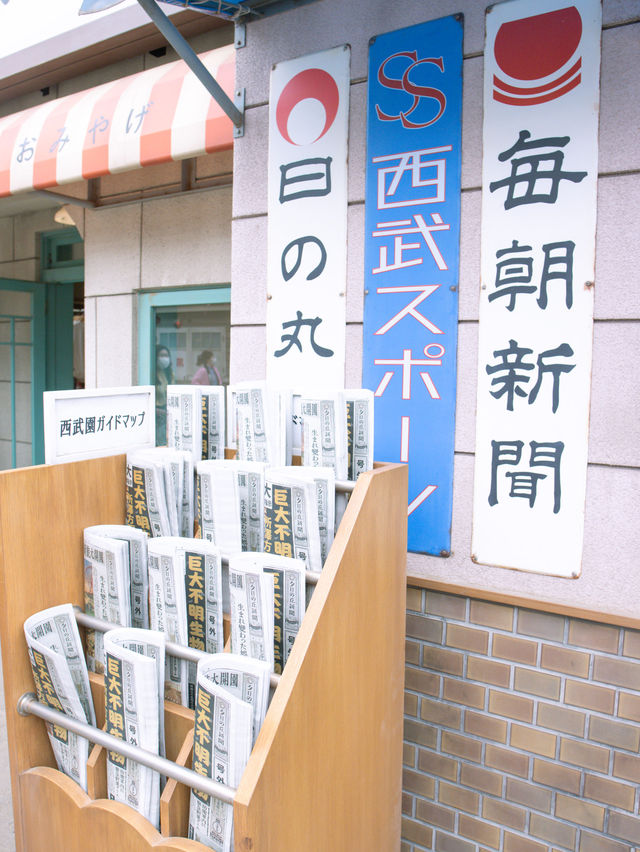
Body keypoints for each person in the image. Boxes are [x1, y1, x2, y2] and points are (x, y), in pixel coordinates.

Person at [155, 345, 174, 444]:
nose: (164, 358)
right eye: (161, 355)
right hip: (157, 414)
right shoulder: (152, 373)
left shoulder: (168, 373)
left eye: (166, 355)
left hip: (167, 413)